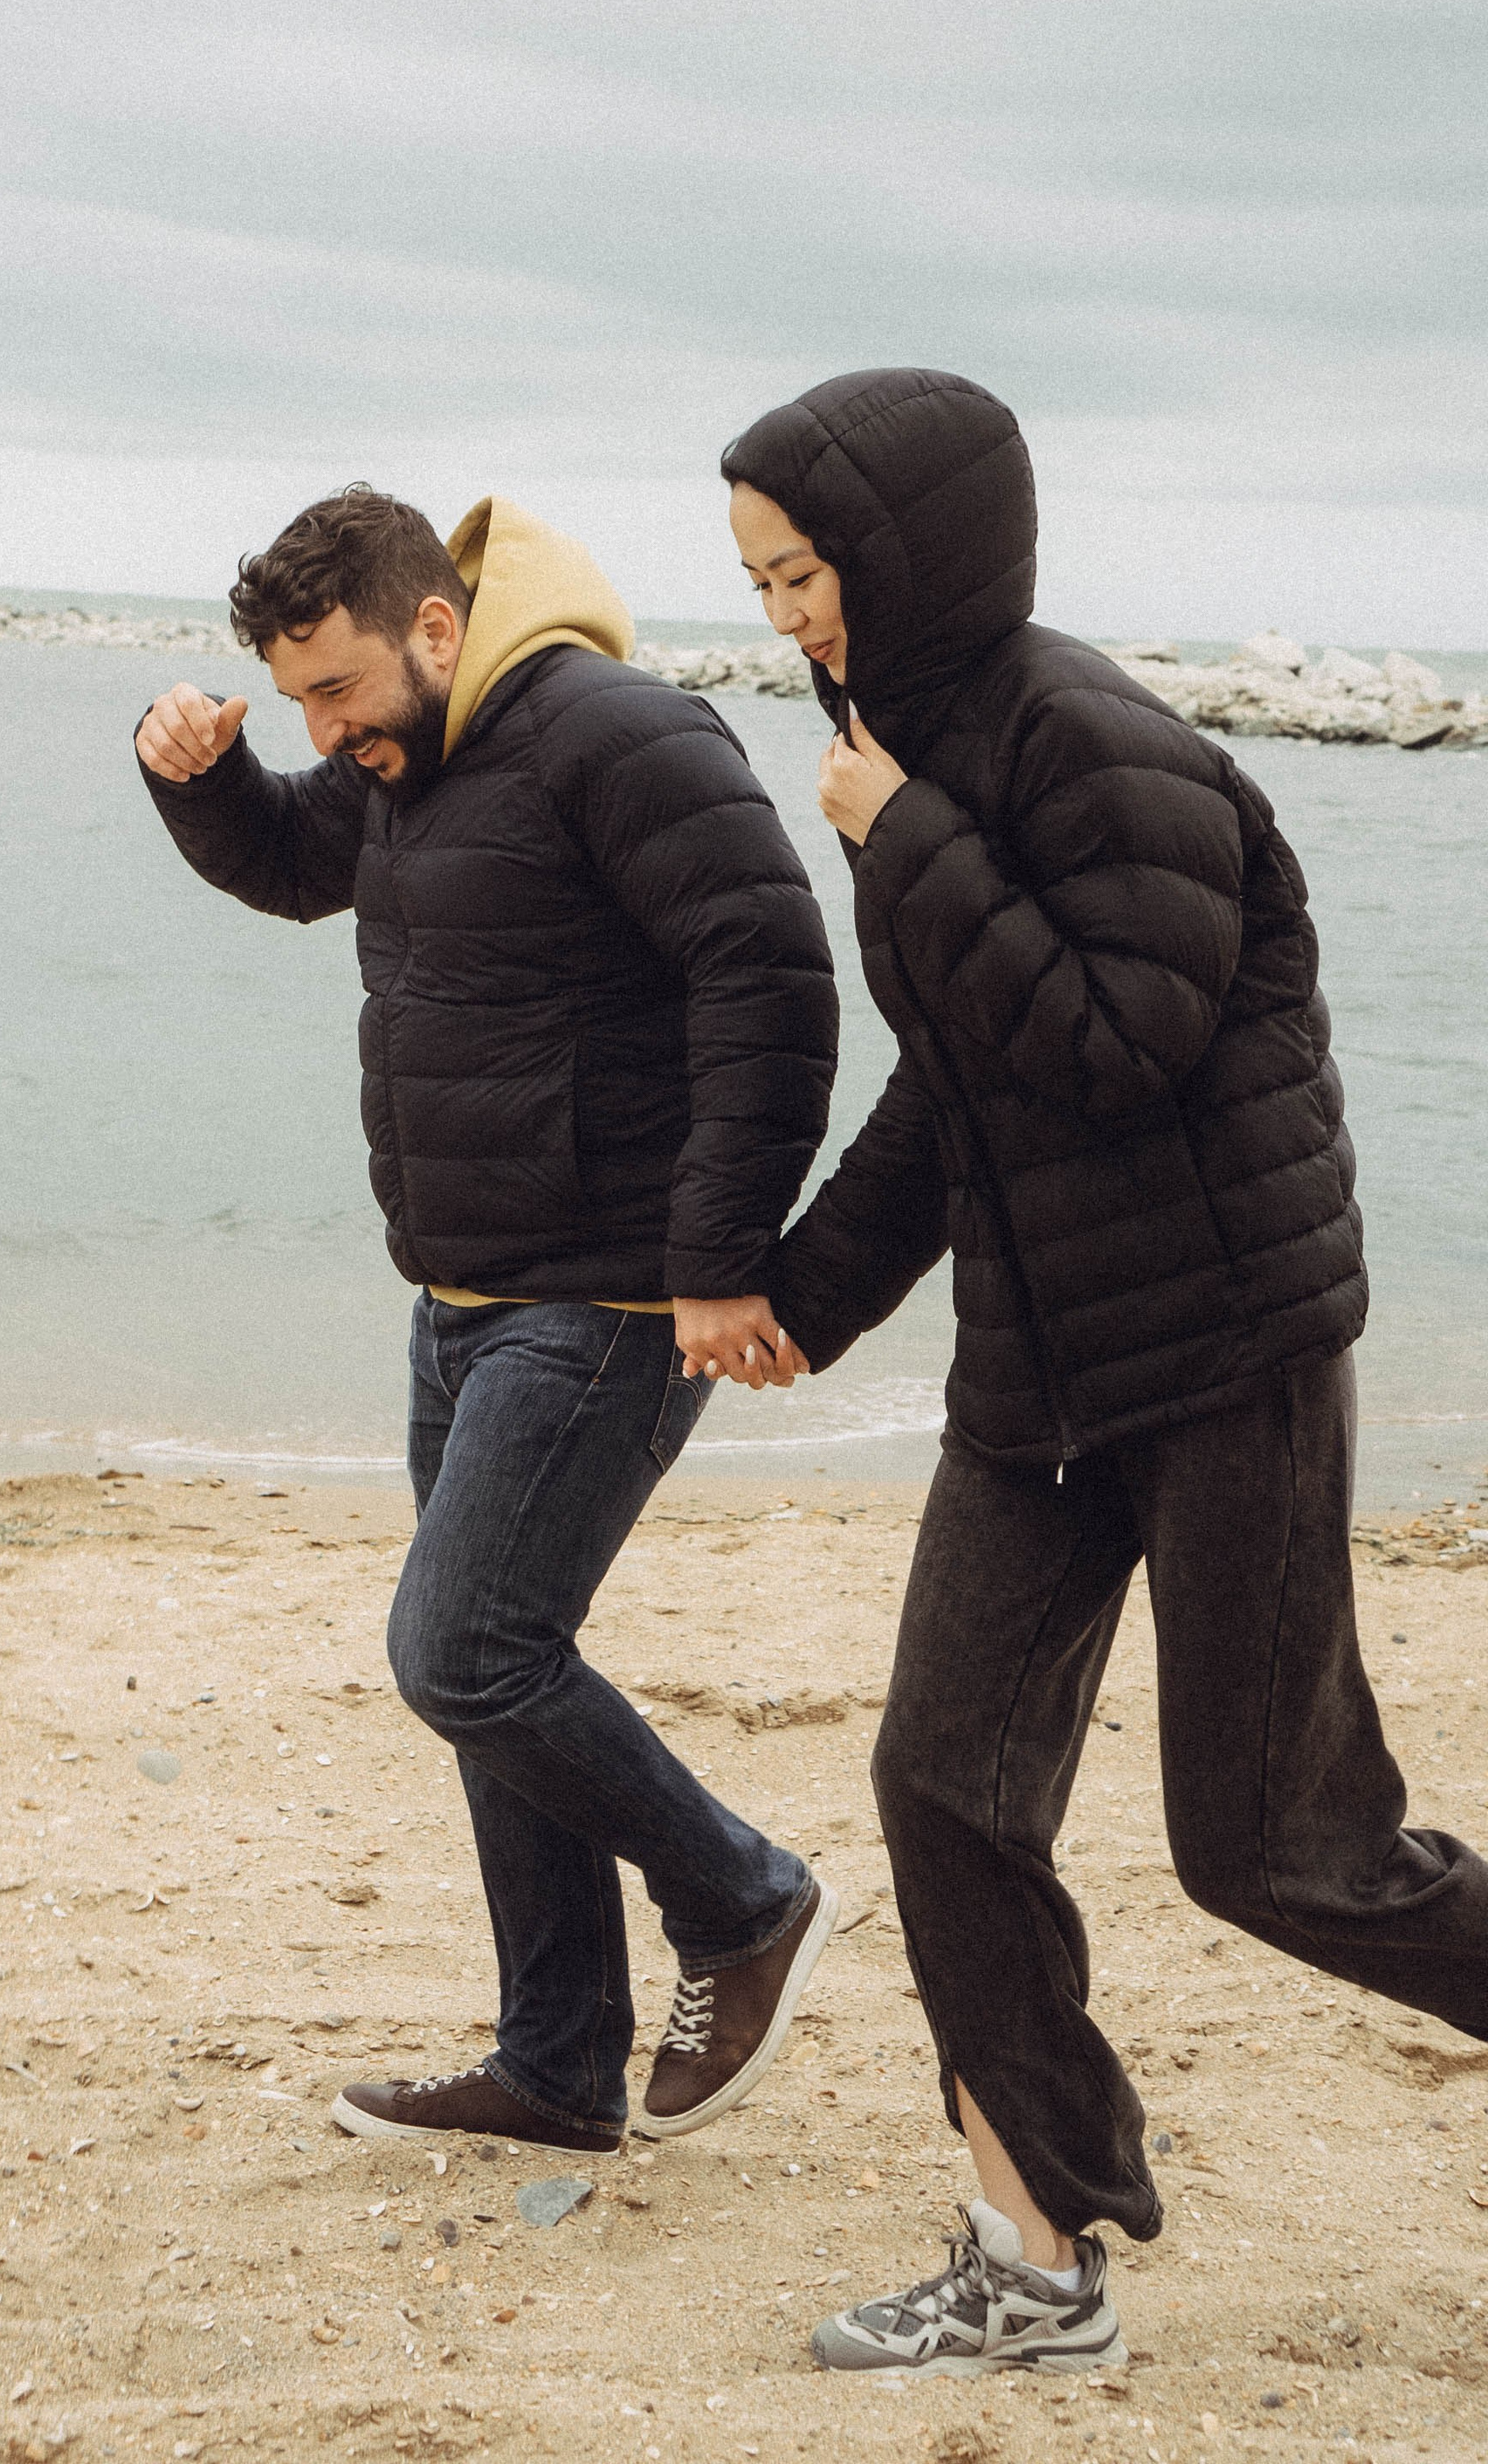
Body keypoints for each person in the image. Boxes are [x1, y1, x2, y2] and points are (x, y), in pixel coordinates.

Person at [697, 363, 1488, 2375]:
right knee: (940, 1788)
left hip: (1224, 1352)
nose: (784, 616)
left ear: (909, 550)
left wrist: (905, 841)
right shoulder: (906, 749)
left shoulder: (1089, 741)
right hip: (1036, 1371)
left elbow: (1114, 1045)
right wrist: (804, 1295)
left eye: (803, 572)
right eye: (761, 581)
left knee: (1275, 1851)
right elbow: (957, 1082)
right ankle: (1030, 2262)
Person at [135, 483, 843, 2151]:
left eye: (336, 689)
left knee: (464, 1651)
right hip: (459, 1296)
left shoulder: (618, 735)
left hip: (605, 1298)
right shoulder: (411, 757)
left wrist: (719, 1256)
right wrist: (204, 780)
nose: (324, 730)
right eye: (297, 699)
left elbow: (771, 975)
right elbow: (293, 862)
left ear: (437, 628)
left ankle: (743, 1899)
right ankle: (557, 2063)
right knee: (498, 1680)